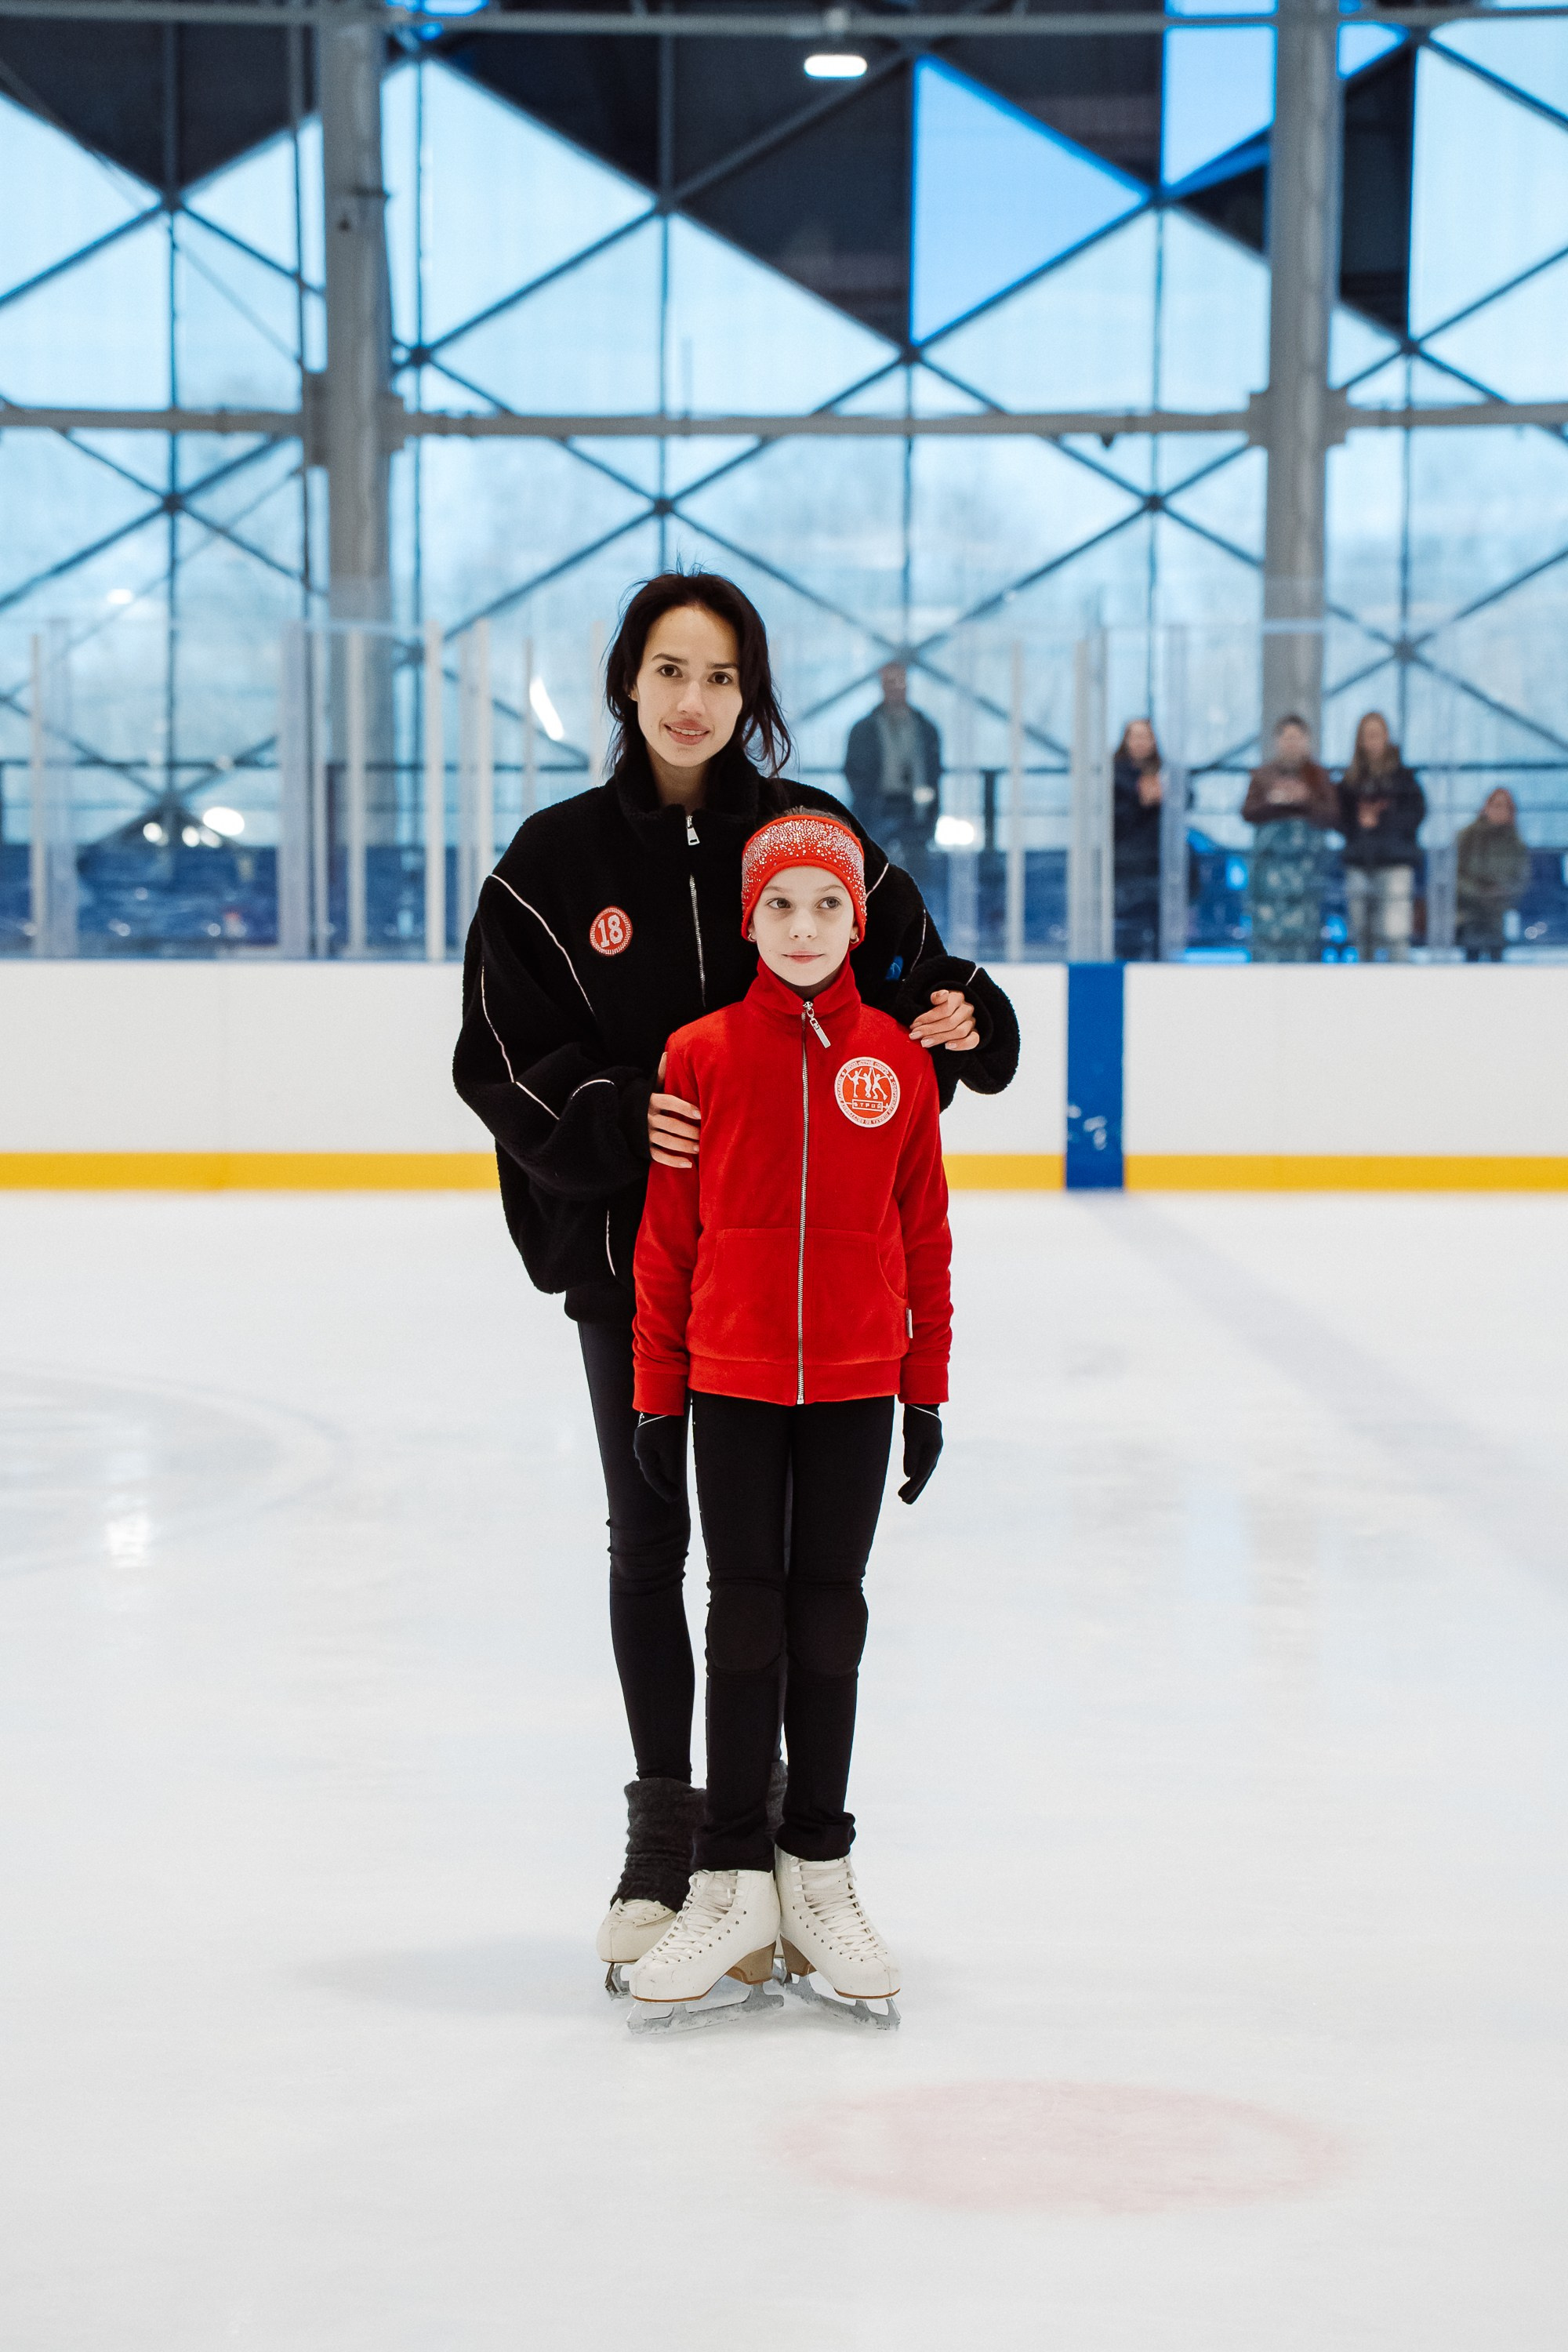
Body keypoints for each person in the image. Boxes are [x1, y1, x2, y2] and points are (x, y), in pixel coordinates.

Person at [452, 572, 1019, 1991]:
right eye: (667, 672)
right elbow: (497, 1053)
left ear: (750, 693)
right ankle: (671, 1839)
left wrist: (967, 1013)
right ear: (625, 687)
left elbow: (911, 981)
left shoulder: (804, 835)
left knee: (784, 1576)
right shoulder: (553, 863)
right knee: (654, 1546)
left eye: (718, 676)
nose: (691, 700)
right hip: (636, 1268)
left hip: (803, 1292)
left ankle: (772, 1852)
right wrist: (607, 1111)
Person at [622, 811, 949, 2029]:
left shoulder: (897, 1065)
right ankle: (728, 1875)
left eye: (826, 906)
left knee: (831, 1614)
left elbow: (924, 1232)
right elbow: (667, 1245)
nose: (804, 928)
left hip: (861, 1379)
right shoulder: (700, 1054)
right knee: (743, 1615)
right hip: (737, 1382)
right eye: (780, 907)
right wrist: (660, 1395)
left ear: (855, 921)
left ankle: (818, 1867)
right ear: (749, 921)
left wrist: (925, 1385)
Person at [1242, 714, 1338, 962]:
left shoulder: (1319, 777)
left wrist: (1305, 799)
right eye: (1287, 738)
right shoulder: (1263, 775)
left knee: (1305, 937)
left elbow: (1332, 816)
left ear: (1306, 741)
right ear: (1277, 741)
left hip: (1307, 876)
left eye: (1297, 738)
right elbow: (1248, 812)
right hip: (1269, 878)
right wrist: (1275, 800)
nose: (1292, 743)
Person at [1338, 711, 1426, 963]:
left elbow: (1417, 815)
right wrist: (1359, 824)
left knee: (1396, 932)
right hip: (1359, 862)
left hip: (1395, 862)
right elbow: (1339, 819)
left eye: (1377, 734)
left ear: (1386, 737)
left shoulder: (1404, 779)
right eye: (1368, 735)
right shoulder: (1350, 781)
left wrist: (1382, 822)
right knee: (1361, 933)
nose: (1373, 741)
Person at [843, 662, 942, 866]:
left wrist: (930, 815)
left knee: (916, 869)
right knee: (876, 869)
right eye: (890, 682)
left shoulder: (924, 728)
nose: (896, 687)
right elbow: (853, 770)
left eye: (900, 681)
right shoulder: (864, 730)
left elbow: (933, 772)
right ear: (882, 685)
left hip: (914, 809)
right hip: (877, 807)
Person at [1456, 786, 1530, 961]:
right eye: (1495, 805)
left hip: (1499, 907)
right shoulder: (1466, 838)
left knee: (1496, 931)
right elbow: (1454, 876)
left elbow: (1520, 879)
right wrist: (1478, 892)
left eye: (1504, 807)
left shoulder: (1516, 843)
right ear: (1486, 807)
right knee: (1473, 933)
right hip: (1469, 906)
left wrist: (1500, 893)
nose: (1498, 811)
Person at [1112, 717, 1164, 961]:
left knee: (1159, 930)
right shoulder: (1114, 774)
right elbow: (1112, 820)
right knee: (1128, 932)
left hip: (1158, 866)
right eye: (1136, 736)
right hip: (1126, 867)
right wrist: (1139, 799)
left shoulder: (1165, 773)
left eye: (1146, 736)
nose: (1141, 742)